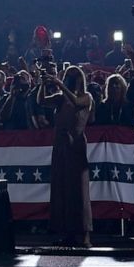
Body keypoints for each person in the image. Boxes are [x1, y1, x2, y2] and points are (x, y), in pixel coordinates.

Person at [38, 66, 94, 247]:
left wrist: (60, 84)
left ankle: (85, 234)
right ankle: (67, 232)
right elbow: (41, 101)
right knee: (62, 187)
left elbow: (77, 102)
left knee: (79, 188)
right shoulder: (60, 98)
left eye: (73, 75)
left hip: (75, 143)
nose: (70, 77)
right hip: (60, 143)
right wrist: (43, 83)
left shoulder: (87, 96)